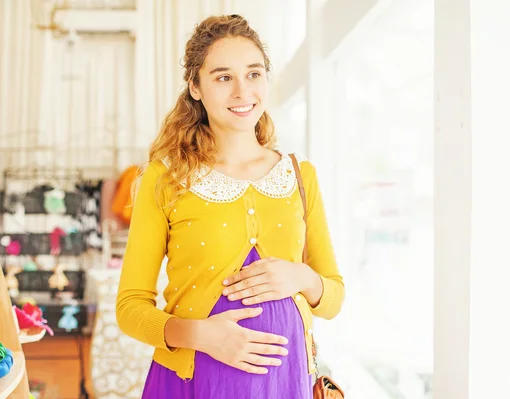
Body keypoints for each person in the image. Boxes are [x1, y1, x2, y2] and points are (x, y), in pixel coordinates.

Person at [116, 14, 345, 399]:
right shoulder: (165, 177)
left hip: (286, 384)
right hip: (195, 382)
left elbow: (333, 298)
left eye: (254, 74)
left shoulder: (300, 175)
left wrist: (301, 278)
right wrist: (199, 335)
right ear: (195, 86)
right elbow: (130, 307)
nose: (242, 91)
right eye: (224, 77)